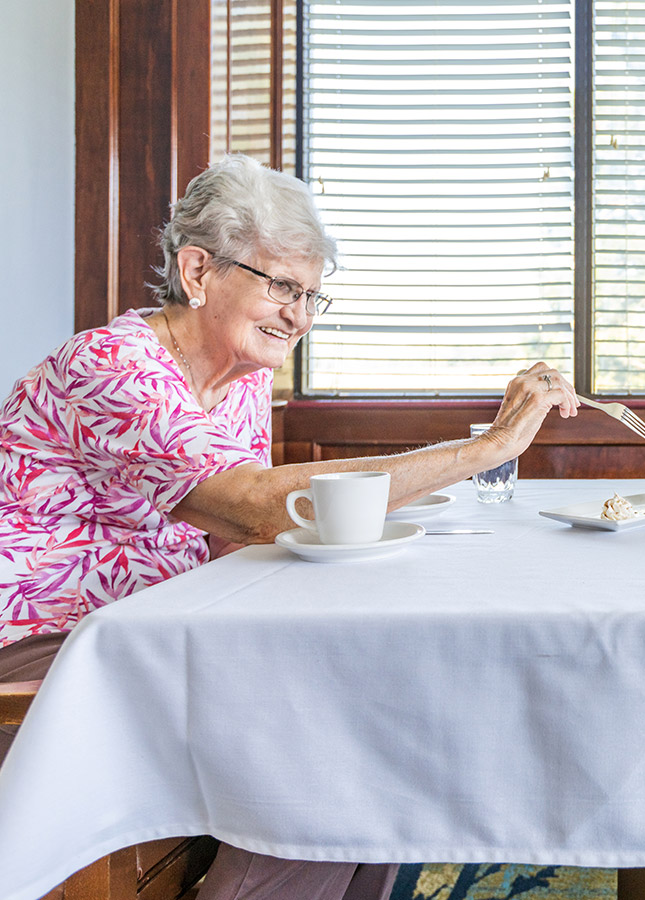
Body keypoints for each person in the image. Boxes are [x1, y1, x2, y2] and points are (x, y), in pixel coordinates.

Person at [0, 154, 580, 900]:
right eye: (281, 286)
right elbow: (255, 506)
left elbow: (240, 538)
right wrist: (485, 451)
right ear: (199, 271)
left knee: (379, 714)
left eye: (312, 295)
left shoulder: (238, 379)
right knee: (332, 746)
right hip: (52, 656)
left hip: (150, 634)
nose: (300, 316)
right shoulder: (114, 367)